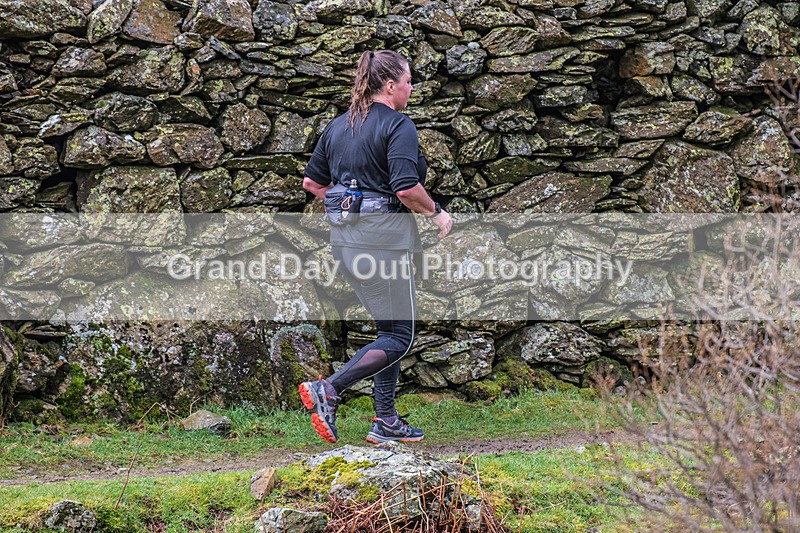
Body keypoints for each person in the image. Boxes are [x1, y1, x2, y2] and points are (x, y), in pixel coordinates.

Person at [299, 49, 452, 444]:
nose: (411, 88)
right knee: (400, 337)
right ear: (389, 85)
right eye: (408, 81)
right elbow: (406, 188)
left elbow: (313, 183)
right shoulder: (398, 125)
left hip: (346, 245)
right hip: (385, 246)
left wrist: (350, 205)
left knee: (389, 333)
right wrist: (436, 212)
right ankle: (328, 389)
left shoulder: (339, 126)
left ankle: (386, 420)